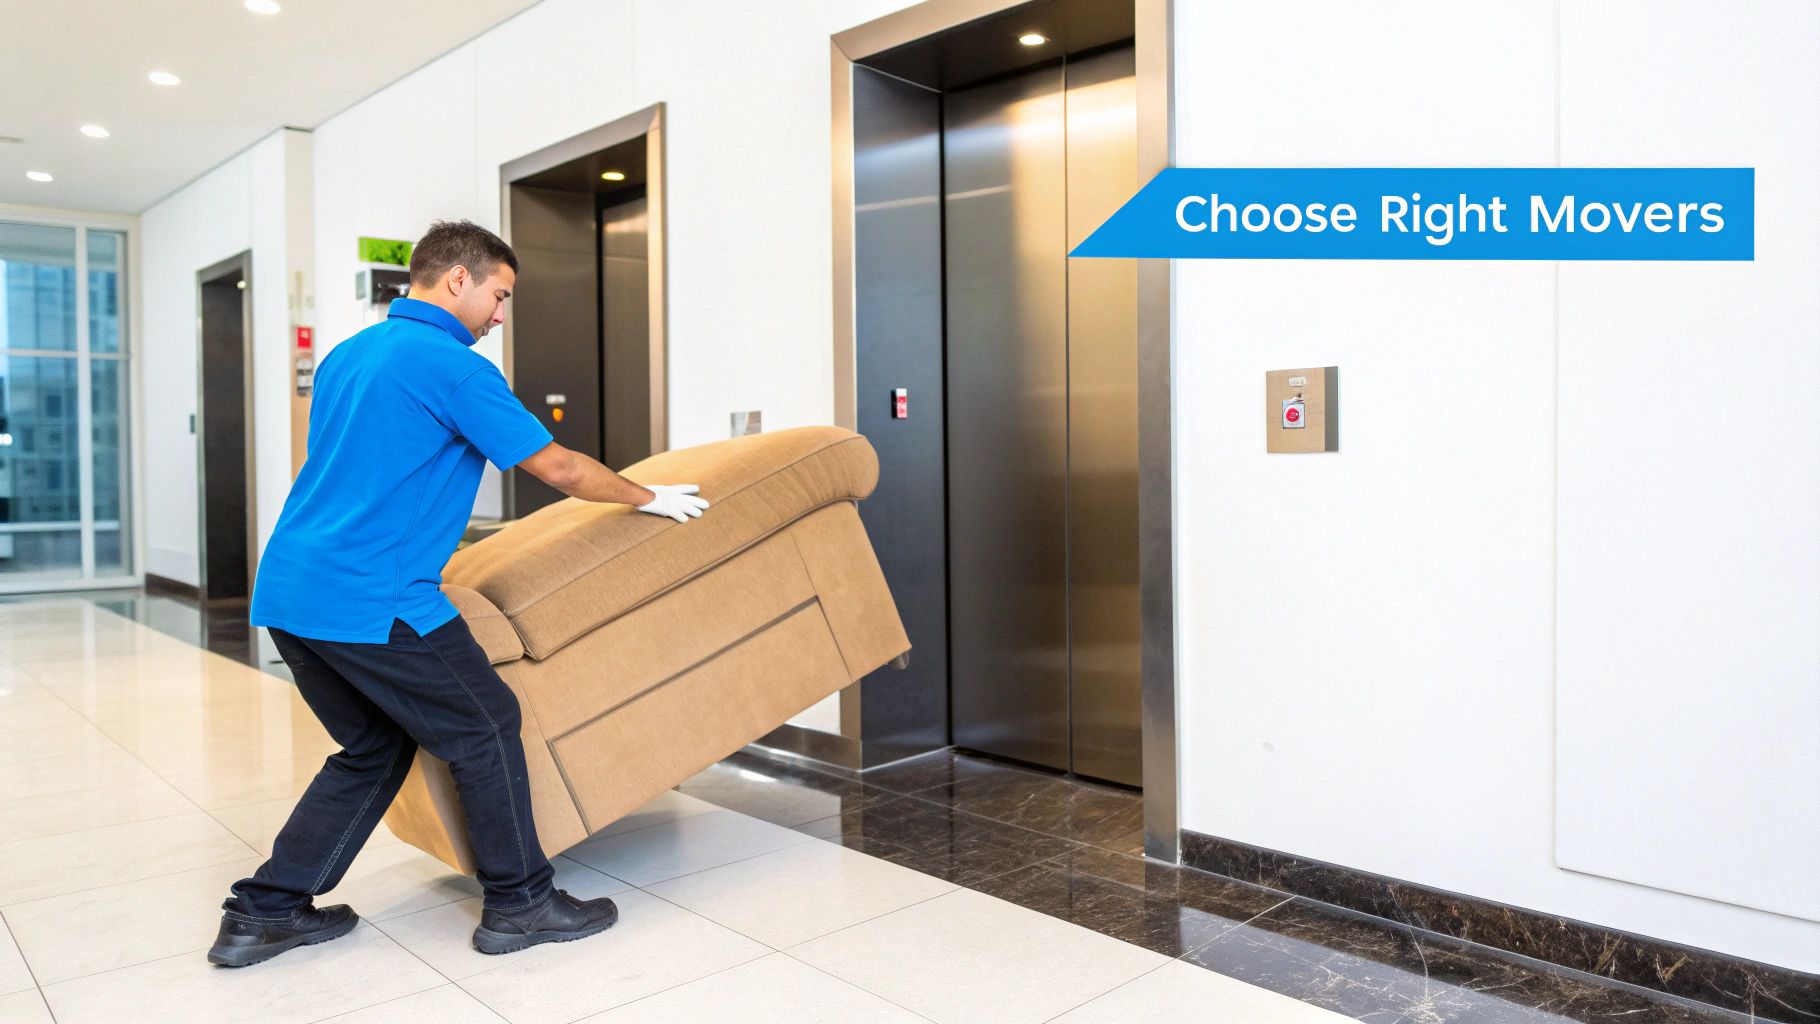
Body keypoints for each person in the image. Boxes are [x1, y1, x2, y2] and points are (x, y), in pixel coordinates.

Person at [207, 219, 709, 968]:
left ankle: (265, 910)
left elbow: (379, 466)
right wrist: (648, 496)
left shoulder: (351, 354)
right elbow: (561, 470)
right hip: (377, 595)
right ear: (456, 281)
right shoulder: (453, 366)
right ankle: (522, 904)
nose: (500, 316)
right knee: (485, 725)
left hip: (291, 589)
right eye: (499, 296)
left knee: (371, 747)